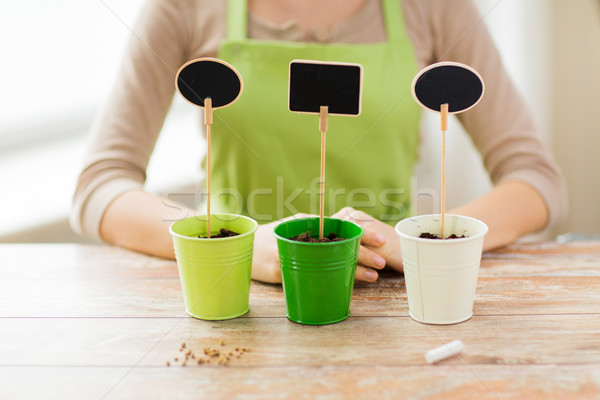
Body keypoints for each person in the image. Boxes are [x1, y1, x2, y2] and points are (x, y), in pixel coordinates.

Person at [70, 0, 567, 283]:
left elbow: (537, 182)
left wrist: (419, 242)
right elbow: (100, 187)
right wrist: (234, 248)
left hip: (386, 295)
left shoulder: (435, 7)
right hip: (232, 294)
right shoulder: (185, 7)